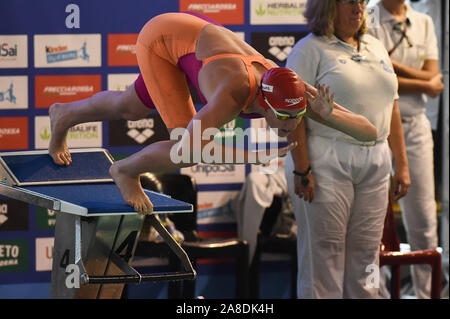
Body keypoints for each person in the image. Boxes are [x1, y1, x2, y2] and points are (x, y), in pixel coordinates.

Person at [48, 11, 377, 216]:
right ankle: (124, 171)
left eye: (299, 116)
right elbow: (192, 147)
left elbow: (370, 132)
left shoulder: (291, 91)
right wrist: (252, 154)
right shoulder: (234, 94)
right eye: (287, 118)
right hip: (162, 39)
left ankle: (63, 113)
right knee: (180, 149)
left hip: (193, 44)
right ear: (264, 105)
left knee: (130, 106)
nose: (293, 126)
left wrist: (330, 115)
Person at [285, 0, 410, 298]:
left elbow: (391, 106)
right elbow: (293, 114)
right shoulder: (309, 49)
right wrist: (302, 168)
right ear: (328, 7)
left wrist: (402, 165)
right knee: (323, 255)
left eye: (362, 2)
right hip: (325, 158)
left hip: (376, 159)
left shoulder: (376, 46)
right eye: (349, 2)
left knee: (367, 255)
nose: (359, 8)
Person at [368, 0, 443, 299]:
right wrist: (421, 81)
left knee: (424, 219)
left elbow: (435, 77)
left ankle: (426, 294)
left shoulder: (422, 20)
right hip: (372, 127)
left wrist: (395, 69)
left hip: (415, 126)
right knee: (373, 222)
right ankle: (379, 293)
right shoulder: (367, 15)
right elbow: (377, 80)